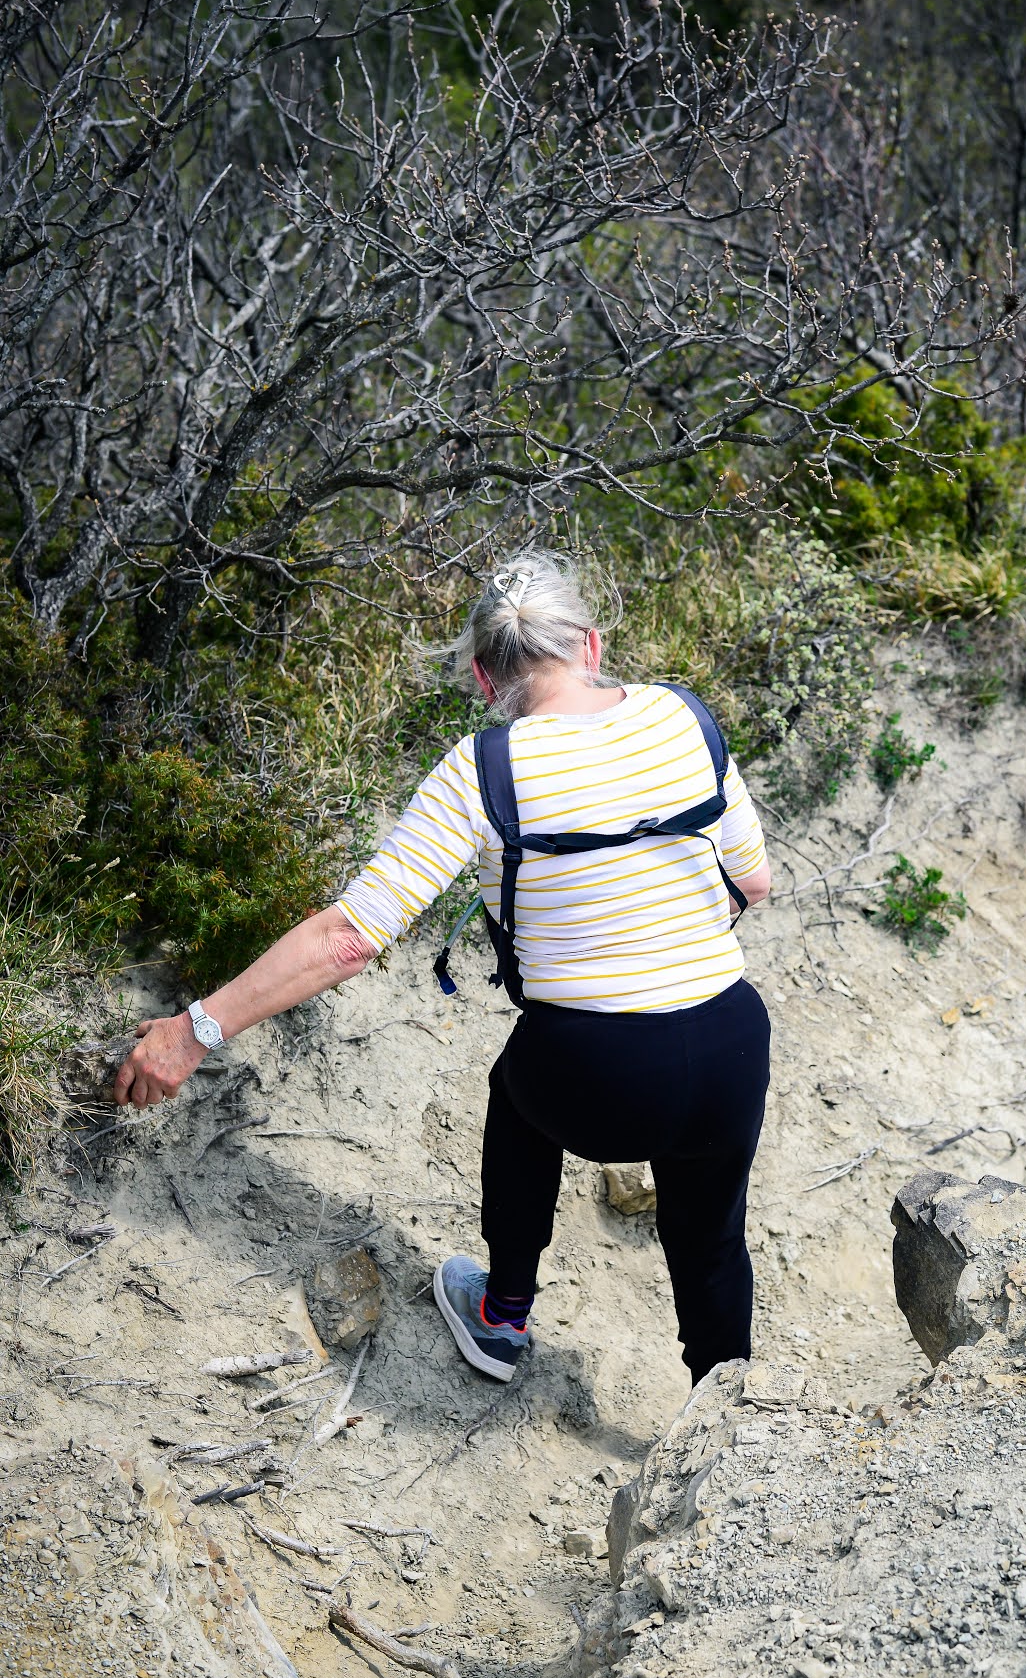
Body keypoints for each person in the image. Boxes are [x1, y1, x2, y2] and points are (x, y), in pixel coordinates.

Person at [114, 551, 772, 1387]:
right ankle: (729, 1424)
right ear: (592, 647)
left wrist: (193, 1030)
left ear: (480, 674)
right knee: (711, 1237)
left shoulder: (483, 771)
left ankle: (500, 1319)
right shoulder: (688, 717)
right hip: (728, 1043)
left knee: (521, 1093)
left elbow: (350, 939)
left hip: (596, 1074)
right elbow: (752, 882)